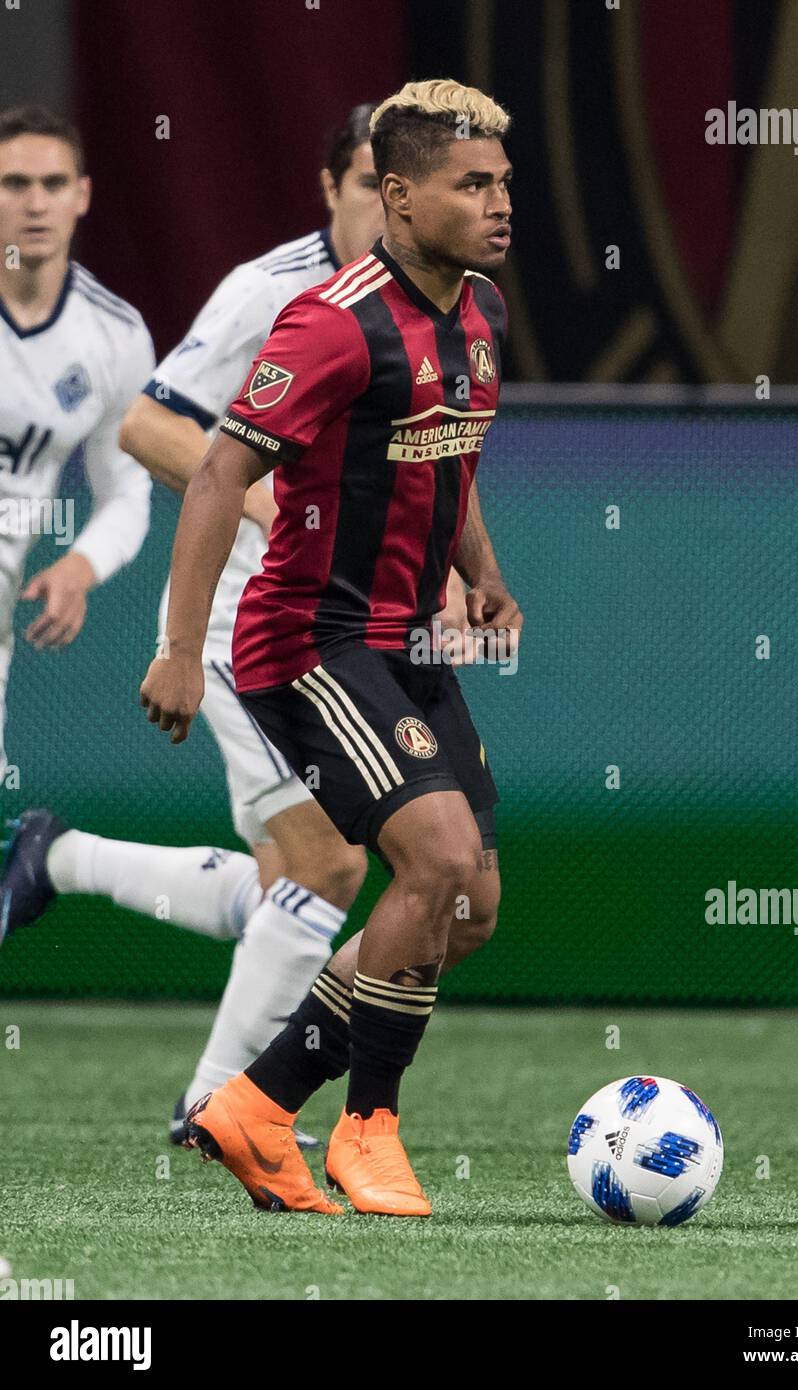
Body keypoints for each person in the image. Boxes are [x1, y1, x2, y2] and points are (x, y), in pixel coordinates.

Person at [141, 78, 520, 1218]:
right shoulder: (330, 320)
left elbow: (440, 455)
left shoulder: (483, 311)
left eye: (505, 182)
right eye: (474, 184)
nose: (502, 203)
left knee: (466, 909)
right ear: (398, 198)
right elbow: (215, 472)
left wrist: (481, 569)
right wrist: (173, 646)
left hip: (406, 640)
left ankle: (256, 1102)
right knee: (436, 860)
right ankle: (365, 1126)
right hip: (307, 638)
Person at [0, 104, 152, 893]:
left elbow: (128, 490)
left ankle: (44, 859)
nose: (34, 202)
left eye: (52, 183)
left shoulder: (114, 336)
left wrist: (80, 567)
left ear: (83, 195)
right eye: (14, 183)